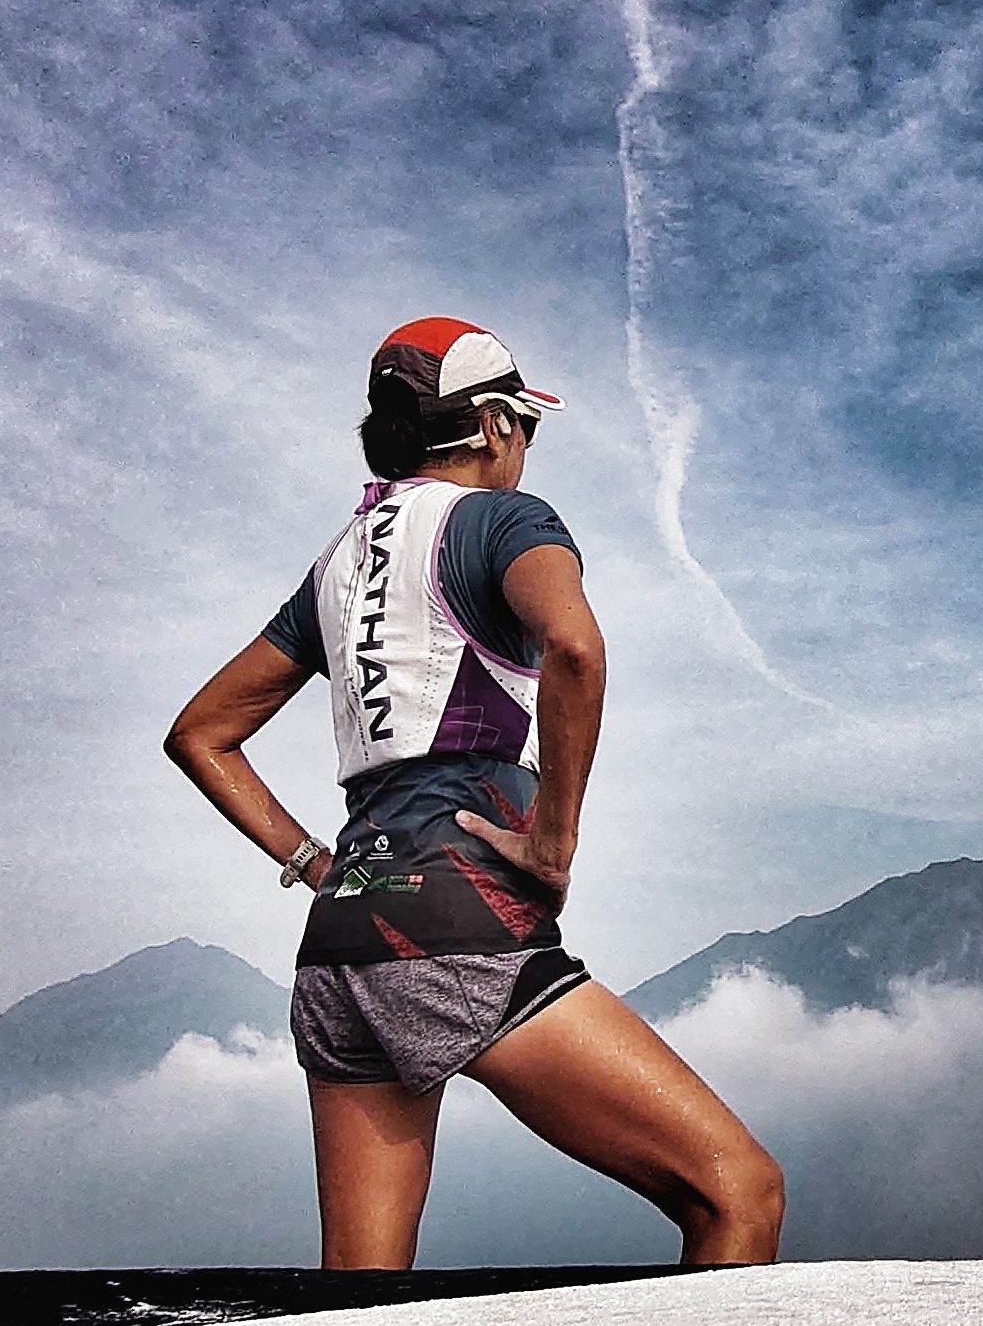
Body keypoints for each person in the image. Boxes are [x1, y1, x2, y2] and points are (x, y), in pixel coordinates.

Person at [164, 316, 785, 1271]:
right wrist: (553, 843)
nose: (527, 448)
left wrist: (317, 865)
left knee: (359, 1301)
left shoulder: (334, 568)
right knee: (739, 1191)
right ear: (493, 425)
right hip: (459, 929)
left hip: (340, 949)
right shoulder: (505, 522)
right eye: (526, 426)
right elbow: (574, 647)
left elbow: (201, 734)